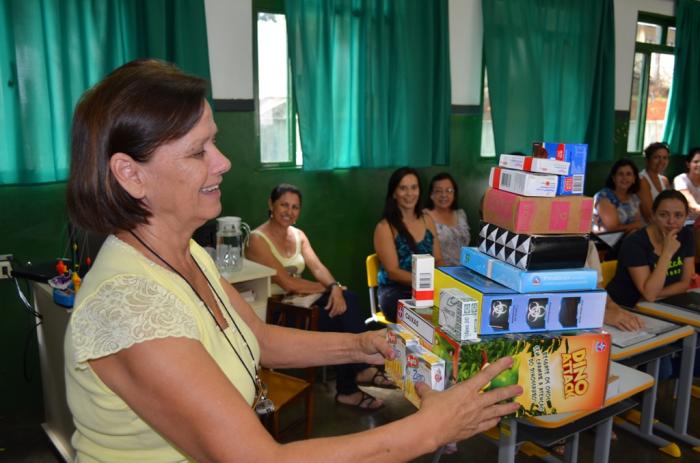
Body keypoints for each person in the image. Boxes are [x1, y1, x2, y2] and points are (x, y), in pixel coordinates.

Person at [63, 59, 521, 462]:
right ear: (130, 174)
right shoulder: (129, 308)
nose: (223, 163)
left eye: (215, 143)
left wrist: (362, 345)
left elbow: (256, 338)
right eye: (198, 151)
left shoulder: (186, 253)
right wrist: (430, 429)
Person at [246, 183, 394, 410]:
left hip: (303, 302)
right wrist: (330, 290)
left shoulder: (298, 235)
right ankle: (355, 378)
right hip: (279, 311)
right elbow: (287, 282)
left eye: (295, 207)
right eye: (284, 205)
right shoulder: (257, 239)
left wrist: (334, 286)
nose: (289, 211)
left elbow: (318, 268)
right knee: (342, 317)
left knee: (349, 301)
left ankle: (353, 382)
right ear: (271, 205)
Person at [374, 167, 443, 322]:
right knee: (429, 320)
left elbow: (438, 259)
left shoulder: (427, 220)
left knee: (451, 313)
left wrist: (441, 283)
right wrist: (426, 282)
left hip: (428, 288)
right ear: (394, 193)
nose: (410, 194)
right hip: (395, 293)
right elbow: (393, 271)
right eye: (403, 188)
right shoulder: (384, 227)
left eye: (414, 187)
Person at [606, 190, 695, 309]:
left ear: (686, 216)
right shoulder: (634, 243)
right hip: (624, 308)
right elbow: (649, 294)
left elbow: (684, 284)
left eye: (678, 215)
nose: (671, 221)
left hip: (661, 303)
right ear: (653, 215)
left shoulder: (687, 236)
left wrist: (656, 295)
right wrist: (667, 253)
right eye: (663, 215)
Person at [424, 172, 470, 266]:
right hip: (438, 272)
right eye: (438, 191)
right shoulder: (425, 216)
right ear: (431, 194)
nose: (444, 195)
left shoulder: (461, 215)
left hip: (464, 270)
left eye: (449, 190)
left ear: (454, 194)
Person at [592, 158, 644, 234]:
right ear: (614, 178)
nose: (624, 178)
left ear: (634, 179)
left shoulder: (634, 198)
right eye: (620, 174)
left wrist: (636, 226)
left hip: (629, 238)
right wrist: (635, 226)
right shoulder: (604, 197)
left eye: (628, 174)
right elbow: (612, 230)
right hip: (606, 242)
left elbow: (638, 223)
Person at [673, 147, 700, 262]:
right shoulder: (680, 179)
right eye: (696, 161)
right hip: (684, 223)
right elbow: (692, 205)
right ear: (688, 164)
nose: (699, 165)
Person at [638, 142, 672, 223]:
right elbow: (649, 215)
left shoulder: (664, 180)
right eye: (656, 157)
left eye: (665, 158)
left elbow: (671, 205)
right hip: (648, 227)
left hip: (664, 223)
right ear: (647, 160)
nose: (661, 161)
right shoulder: (641, 180)